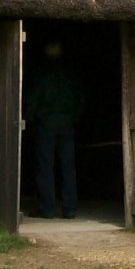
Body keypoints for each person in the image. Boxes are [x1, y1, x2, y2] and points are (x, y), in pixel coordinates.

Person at [25, 40, 84, 218]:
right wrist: (74, 118)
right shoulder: (70, 74)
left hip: (46, 125)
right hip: (67, 124)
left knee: (45, 167)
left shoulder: (42, 74)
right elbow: (80, 99)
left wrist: (30, 118)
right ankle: (70, 208)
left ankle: (47, 208)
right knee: (68, 167)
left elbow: (33, 99)